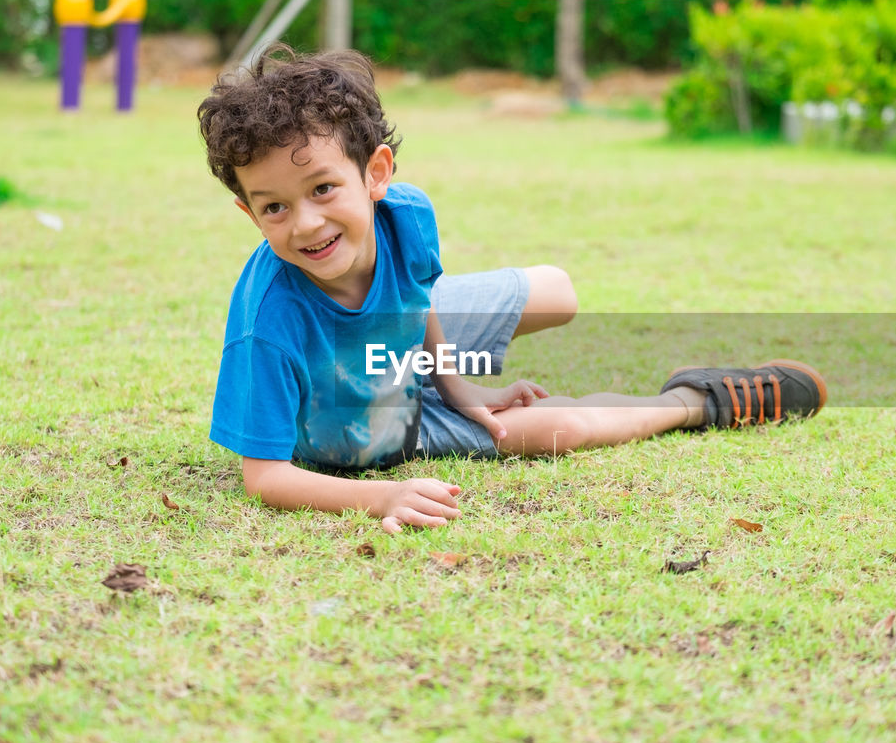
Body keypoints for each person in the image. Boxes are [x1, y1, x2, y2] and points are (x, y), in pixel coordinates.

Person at [198, 43, 827, 534]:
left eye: (323, 189)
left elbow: (418, 299)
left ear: (376, 174)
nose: (305, 222)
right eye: (274, 207)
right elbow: (265, 477)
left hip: (399, 352)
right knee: (561, 430)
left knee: (559, 292)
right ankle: (701, 400)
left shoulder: (405, 214)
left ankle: (459, 380)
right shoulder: (269, 323)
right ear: (249, 213)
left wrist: (463, 386)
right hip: (373, 423)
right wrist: (379, 495)